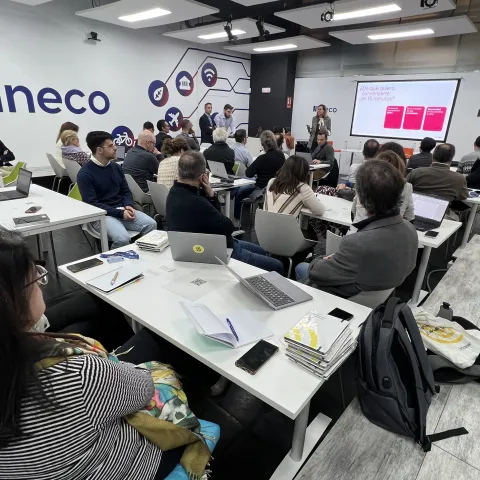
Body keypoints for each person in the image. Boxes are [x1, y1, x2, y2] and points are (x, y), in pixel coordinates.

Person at [0, 228, 218, 480]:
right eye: (35, 277)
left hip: (64, 459)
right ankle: (209, 381)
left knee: (100, 311)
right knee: (158, 338)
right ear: (12, 301)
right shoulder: (76, 375)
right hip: (135, 463)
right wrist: (108, 368)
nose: (40, 283)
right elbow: (143, 389)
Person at [296, 160, 418, 298]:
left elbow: (316, 273)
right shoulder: (410, 231)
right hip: (381, 299)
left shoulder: (357, 243)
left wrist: (322, 259)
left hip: (346, 300)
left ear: (362, 200)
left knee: (302, 268)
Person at [166, 151, 284, 274]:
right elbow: (228, 227)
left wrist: (208, 195)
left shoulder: (173, 194)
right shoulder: (197, 203)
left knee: (261, 251)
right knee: (277, 265)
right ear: (202, 177)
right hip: (223, 251)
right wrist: (212, 196)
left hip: (205, 247)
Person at [77, 131, 156, 249]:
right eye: (110, 146)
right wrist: (120, 213)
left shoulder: (116, 167)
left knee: (151, 224)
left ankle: (140, 253)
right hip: (102, 215)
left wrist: (128, 204)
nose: (115, 148)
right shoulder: (85, 174)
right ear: (99, 150)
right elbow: (92, 204)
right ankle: (116, 259)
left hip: (121, 210)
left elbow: (125, 191)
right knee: (122, 239)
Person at [351, 151, 414, 228]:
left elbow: (353, 211)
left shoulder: (365, 182)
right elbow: (410, 217)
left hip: (359, 230)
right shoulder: (406, 187)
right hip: (393, 231)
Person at [233, 130, 285, 223]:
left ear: (262, 144)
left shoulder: (262, 158)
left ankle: (237, 220)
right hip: (275, 189)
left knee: (239, 193)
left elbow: (248, 173)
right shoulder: (281, 156)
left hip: (260, 189)